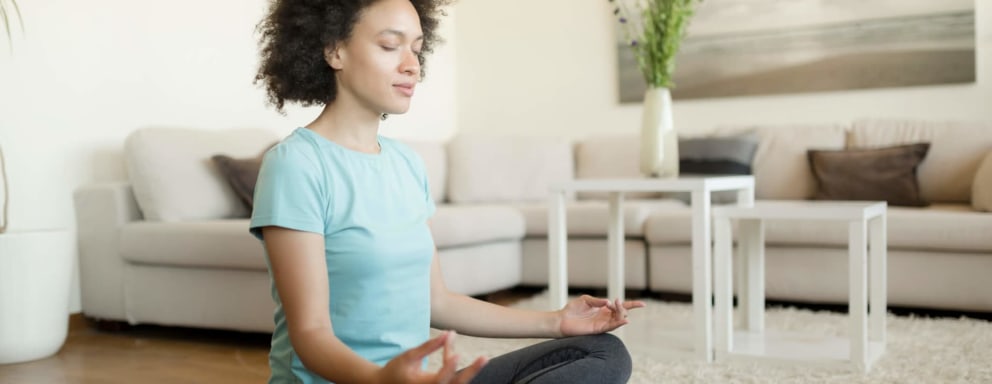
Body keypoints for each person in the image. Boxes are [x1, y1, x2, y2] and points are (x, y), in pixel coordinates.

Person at [250, 0, 646, 383]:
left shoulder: (404, 163)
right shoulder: (296, 165)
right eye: (390, 45)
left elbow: (437, 300)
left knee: (603, 353)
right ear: (335, 50)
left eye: (417, 49)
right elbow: (311, 334)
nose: (411, 66)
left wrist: (557, 321)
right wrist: (381, 379)